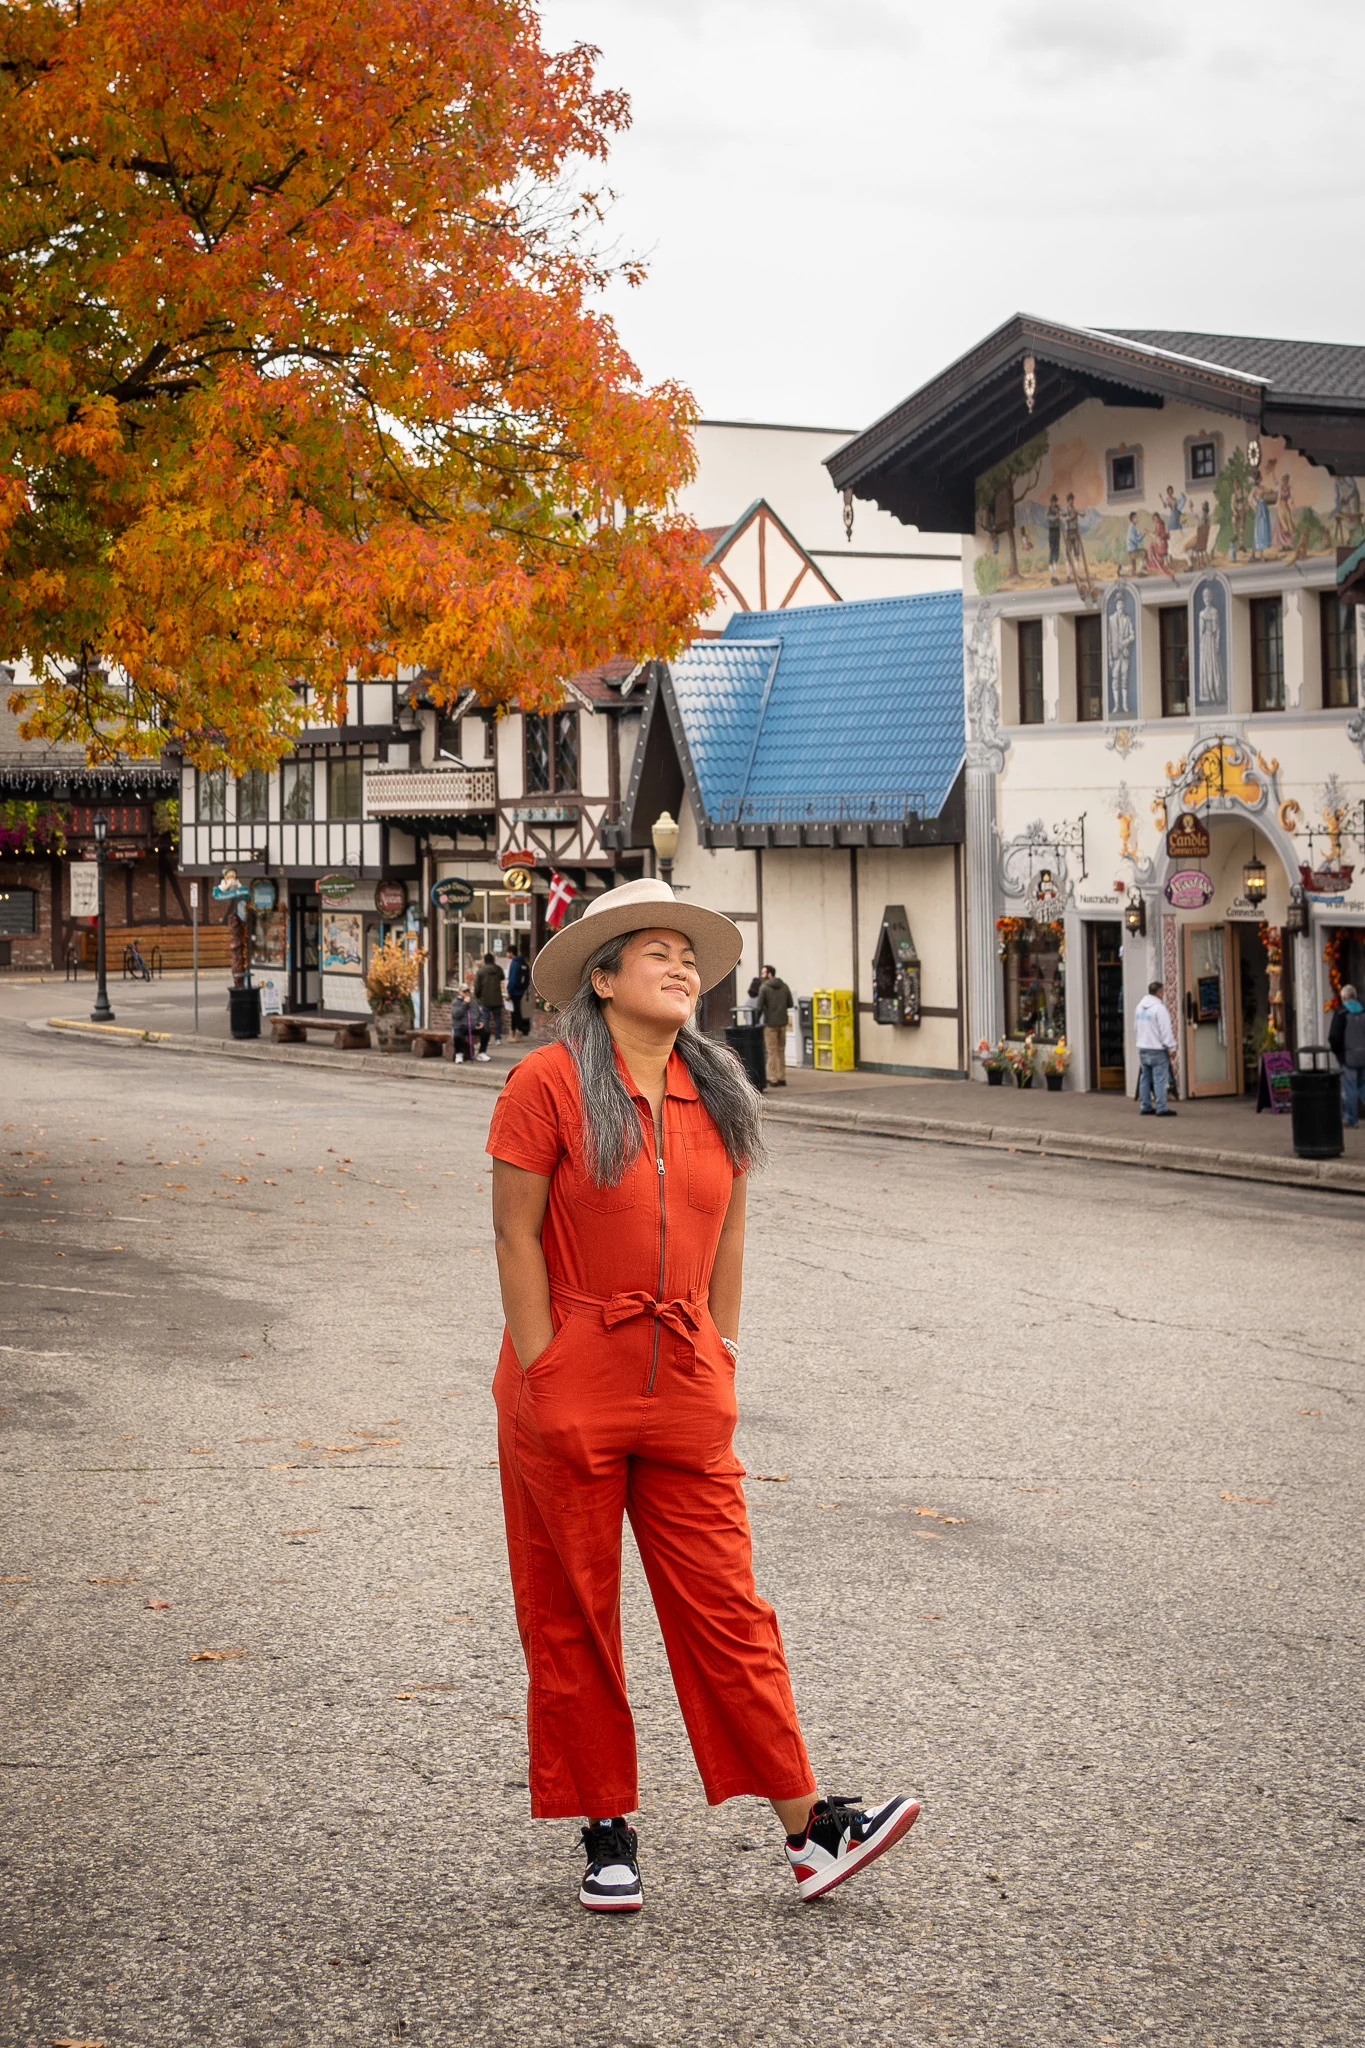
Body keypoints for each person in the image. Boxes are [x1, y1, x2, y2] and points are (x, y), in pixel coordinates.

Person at [486, 877, 919, 1914]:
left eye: (691, 957)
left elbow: (730, 1236)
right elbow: (512, 1233)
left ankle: (810, 1827)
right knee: (574, 1612)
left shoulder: (719, 1085)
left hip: (684, 1375)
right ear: (602, 978)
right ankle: (605, 1830)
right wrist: (545, 1364)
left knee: (729, 1609)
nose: (683, 970)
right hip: (570, 1373)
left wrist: (721, 1350)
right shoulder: (545, 1083)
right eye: (657, 954)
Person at [1135, 979, 1178, 1116]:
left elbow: (1135, 1027)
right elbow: (1165, 1030)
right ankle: (1161, 1108)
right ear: (1159, 993)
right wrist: (1171, 1047)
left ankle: (1145, 1106)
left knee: (1145, 1078)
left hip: (1143, 1048)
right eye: (1163, 992)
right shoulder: (1160, 1009)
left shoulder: (1139, 1007)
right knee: (1160, 1079)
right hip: (1157, 1049)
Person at [1328, 983, 1365, 1129]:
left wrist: (1338, 1052)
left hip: (1348, 1056)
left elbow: (1334, 1037)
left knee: (1349, 1088)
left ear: (1343, 997)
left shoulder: (1341, 1012)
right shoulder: (1363, 1012)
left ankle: (1351, 1119)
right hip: (1363, 1055)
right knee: (1363, 1085)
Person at [754, 964, 794, 1087]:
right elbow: (790, 1004)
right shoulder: (785, 986)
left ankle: (773, 1078)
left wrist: (756, 1021)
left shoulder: (764, 988)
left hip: (770, 1024)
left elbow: (759, 1007)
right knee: (781, 1050)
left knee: (771, 1051)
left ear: (769, 974)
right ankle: (782, 1077)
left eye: (763, 973)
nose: (762, 976)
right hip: (782, 1023)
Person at [473, 951, 505, 1060]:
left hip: (485, 999)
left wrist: (477, 996)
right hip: (497, 998)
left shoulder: (481, 971)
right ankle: (498, 1038)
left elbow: (477, 986)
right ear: (493, 960)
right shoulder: (498, 969)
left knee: (485, 1019)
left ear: (484, 960)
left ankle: (486, 1039)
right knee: (497, 1019)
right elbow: (502, 978)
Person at [506, 946, 532, 1037]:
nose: (507, 954)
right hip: (521, 991)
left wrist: (509, 992)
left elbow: (512, 980)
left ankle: (517, 1031)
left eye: (507, 952)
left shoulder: (515, 963)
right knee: (517, 1010)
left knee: (515, 1012)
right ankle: (518, 1030)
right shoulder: (523, 962)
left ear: (511, 953)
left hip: (514, 992)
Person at [448, 979, 472, 1063]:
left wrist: (479, 1021)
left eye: (467, 991)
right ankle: (459, 1054)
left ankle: (482, 1052)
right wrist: (465, 1004)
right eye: (464, 991)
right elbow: (456, 1014)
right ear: (460, 992)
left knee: (485, 1031)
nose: (466, 993)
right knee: (458, 1035)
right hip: (459, 1025)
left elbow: (476, 1012)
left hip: (470, 1024)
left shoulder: (472, 1001)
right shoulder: (456, 1002)